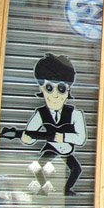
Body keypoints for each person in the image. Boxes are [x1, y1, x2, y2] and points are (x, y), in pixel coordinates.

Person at [21, 53, 87, 196]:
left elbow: (81, 138)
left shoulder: (75, 114)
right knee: (38, 168)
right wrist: (26, 139)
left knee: (76, 169)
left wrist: (63, 137)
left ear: (68, 89)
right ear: (41, 88)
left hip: (65, 147)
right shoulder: (40, 113)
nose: (55, 95)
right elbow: (30, 134)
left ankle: (66, 190)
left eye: (61, 88)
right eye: (49, 88)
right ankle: (45, 189)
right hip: (51, 146)